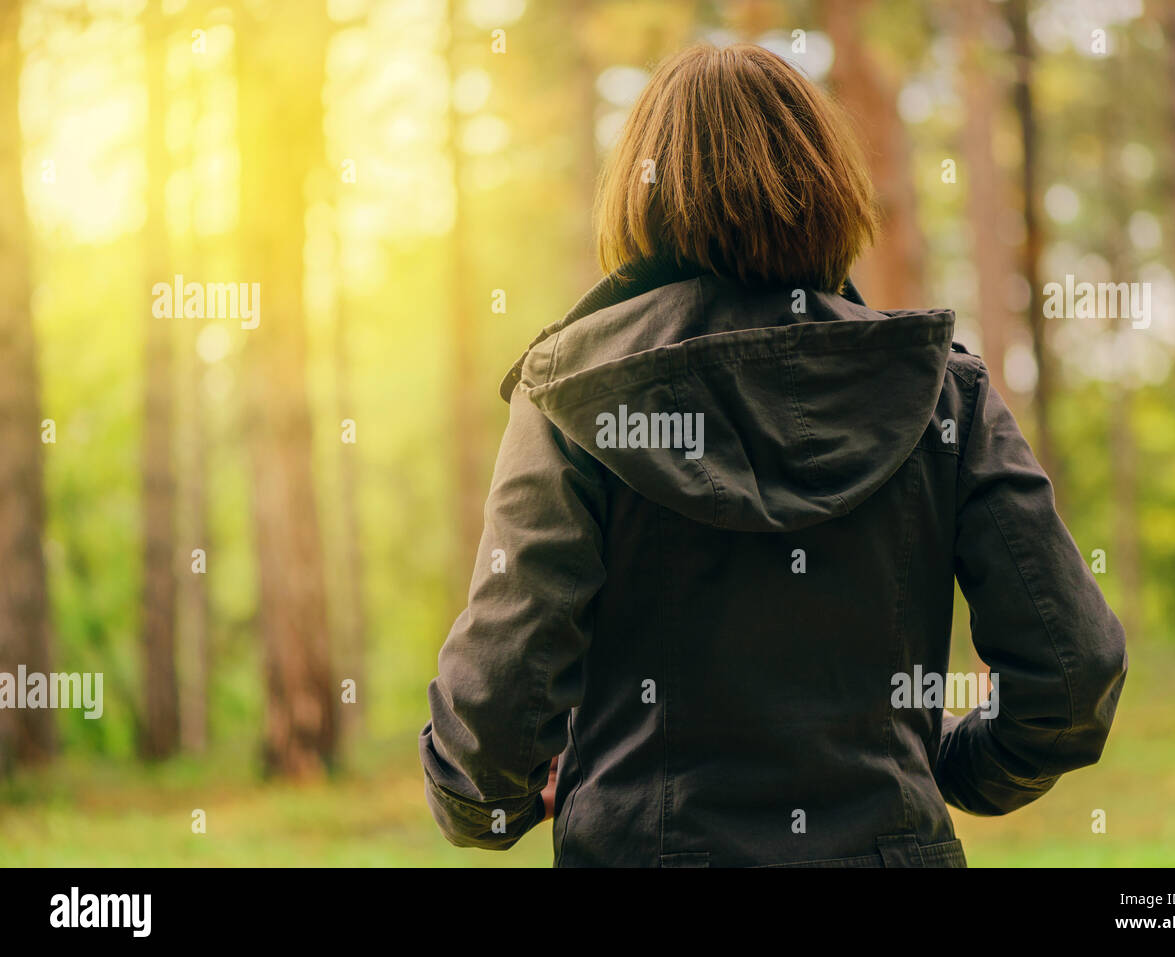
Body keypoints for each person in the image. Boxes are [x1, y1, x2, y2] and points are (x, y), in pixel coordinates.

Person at [418, 42, 1127, 867]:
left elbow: (494, 710)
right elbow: (1073, 674)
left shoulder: (573, 395)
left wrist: (493, 805)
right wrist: (949, 768)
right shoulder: (943, 391)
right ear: (828, 184)